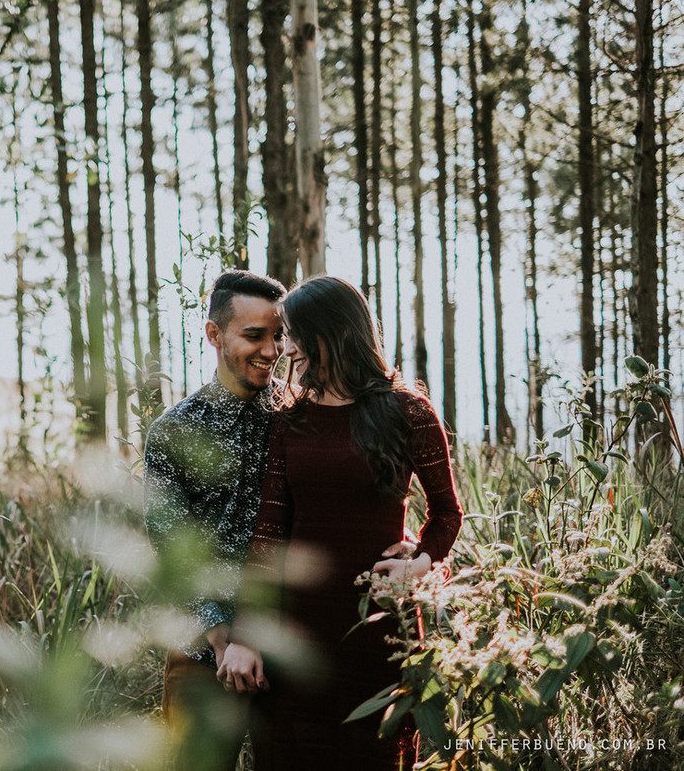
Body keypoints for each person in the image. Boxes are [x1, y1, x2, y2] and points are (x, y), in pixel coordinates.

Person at [218, 275, 463, 770]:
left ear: (332, 333)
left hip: (377, 630)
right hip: (295, 635)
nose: (284, 350)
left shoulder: (408, 412)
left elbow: (447, 514)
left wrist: (419, 564)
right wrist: (246, 634)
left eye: (292, 335)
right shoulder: (291, 419)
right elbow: (269, 532)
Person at [143, 269, 287, 770]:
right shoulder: (174, 431)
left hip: (287, 646)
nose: (270, 350)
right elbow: (168, 543)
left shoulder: (296, 419)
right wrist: (222, 637)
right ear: (214, 335)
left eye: (278, 336)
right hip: (202, 655)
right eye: (254, 336)